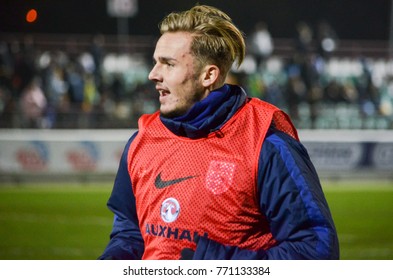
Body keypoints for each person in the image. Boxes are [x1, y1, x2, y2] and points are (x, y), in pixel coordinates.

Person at [99, 4, 339, 260]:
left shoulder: (265, 143)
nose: (152, 74)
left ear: (208, 75)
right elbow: (129, 233)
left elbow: (317, 249)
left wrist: (218, 265)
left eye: (168, 64)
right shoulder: (141, 140)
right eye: (155, 62)